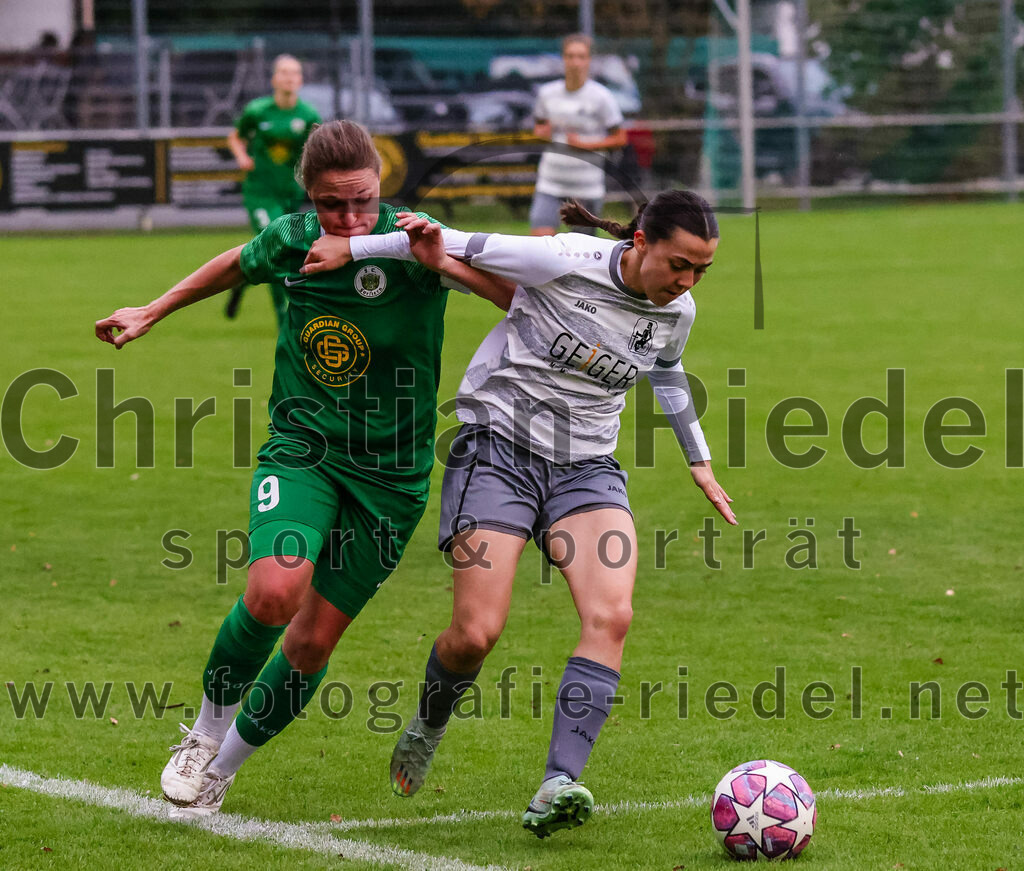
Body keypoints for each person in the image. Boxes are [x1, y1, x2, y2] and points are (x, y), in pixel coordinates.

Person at [94, 120, 514, 819]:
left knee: (314, 638)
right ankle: (202, 734)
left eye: (360, 199)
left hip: (393, 475)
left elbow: (509, 295)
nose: (346, 216)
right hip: (306, 448)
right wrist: (155, 307)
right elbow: (238, 261)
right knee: (272, 592)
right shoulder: (293, 237)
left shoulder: (416, 238)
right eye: (329, 204)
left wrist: (421, 257)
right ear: (308, 198)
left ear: (383, 184)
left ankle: (222, 772)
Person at [300, 189, 737, 838]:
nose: (688, 281)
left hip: (586, 469)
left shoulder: (679, 309)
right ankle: (430, 719)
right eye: (679, 264)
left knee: (611, 614)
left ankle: (559, 779)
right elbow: (447, 238)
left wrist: (697, 458)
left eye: (702, 269)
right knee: (474, 634)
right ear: (641, 241)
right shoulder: (563, 257)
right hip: (497, 450)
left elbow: (666, 369)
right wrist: (351, 245)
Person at [224, 54, 321, 325]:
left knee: (268, 253)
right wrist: (242, 157)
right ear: (274, 79)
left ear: (300, 80)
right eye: (284, 73)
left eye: (295, 73)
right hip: (260, 193)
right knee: (278, 249)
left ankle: (239, 284)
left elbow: (314, 151)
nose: (290, 78)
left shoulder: (308, 115)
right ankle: (284, 318)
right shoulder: (257, 111)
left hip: (290, 193)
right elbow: (235, 137)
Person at [529, 34, 629, 236]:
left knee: (580, 258)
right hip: (550, 182)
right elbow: (539, 127)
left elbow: (620, 138)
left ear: (589, 60)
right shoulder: (547, 94)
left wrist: (585, 145)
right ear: (563, 59)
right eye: (570, 56)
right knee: (539, 246)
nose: (575, 62)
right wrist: (541, 133)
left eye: (581, 56)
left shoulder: (602, 97)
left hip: (587, 187)